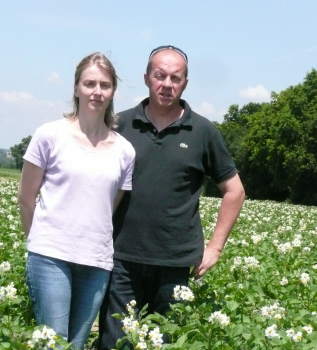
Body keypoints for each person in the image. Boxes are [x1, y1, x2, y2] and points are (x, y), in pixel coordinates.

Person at [98, 45, 245, 350]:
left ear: (185, 83)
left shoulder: (204, 132)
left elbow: (235, 190)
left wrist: (215, 247)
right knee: (116, 342)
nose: (167, 84)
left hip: (176, 262)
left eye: (175, 78)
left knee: (164, 342)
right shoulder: (118, 125)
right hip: (121, 257)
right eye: (160, 75)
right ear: (147, 78)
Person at [17, 52, 135, 349]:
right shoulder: (50, 135)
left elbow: (109, 206)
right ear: (76, 88)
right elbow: (25, 197)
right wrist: (39, 242)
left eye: (104, 85)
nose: (97, 91)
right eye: (89, 83)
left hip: (96, 262)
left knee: (77, 344)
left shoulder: (125, 151)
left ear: (113, 92)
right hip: (50, 257)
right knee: (54, 343)